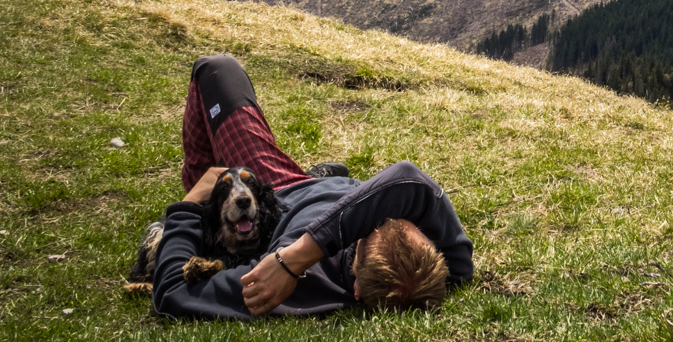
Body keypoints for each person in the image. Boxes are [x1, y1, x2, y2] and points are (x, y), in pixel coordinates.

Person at [151, 54, 474, 319]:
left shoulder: (290, 285)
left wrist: (190, 207)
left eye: (367, 232)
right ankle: (321, 176)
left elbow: (172, 293)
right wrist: (299, 256)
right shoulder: (440, 272)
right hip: (313, 184)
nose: (382, 215)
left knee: (216, 70)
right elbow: (409, 181)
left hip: (276, 190)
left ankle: (204, 193)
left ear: (357, 290)